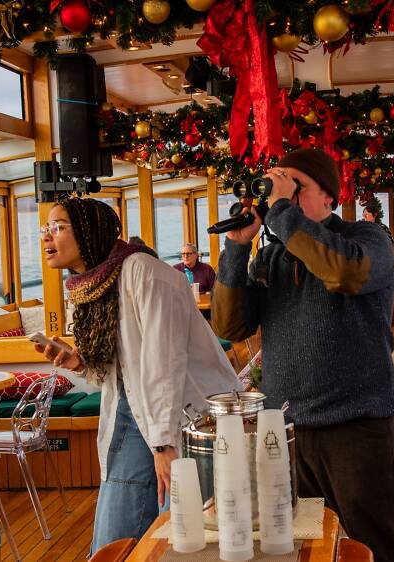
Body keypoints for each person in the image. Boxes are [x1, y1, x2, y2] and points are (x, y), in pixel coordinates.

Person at [211, 148, 394, 562]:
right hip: (286, 432)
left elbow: (343, 272)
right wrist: (235, 249)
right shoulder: (271, 257)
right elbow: (230, 327)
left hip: (356, 430)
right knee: (304, 545)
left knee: (375, 545)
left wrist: (282, 211)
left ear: (329, 198)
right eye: (277, 188)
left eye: (294, 187)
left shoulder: (367, 239)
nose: (280, 198)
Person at [33, 197, 240, 554]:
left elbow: (165, 362)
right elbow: (125, 372)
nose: (47, 237)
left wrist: (163, 444)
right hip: (135, 415)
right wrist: (80, 365)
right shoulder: (93, 286)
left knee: (183, 533)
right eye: (45, 229)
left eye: (58, 227)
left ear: (89, 231)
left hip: (186, 417)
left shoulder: (144, 271)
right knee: (115, 535)